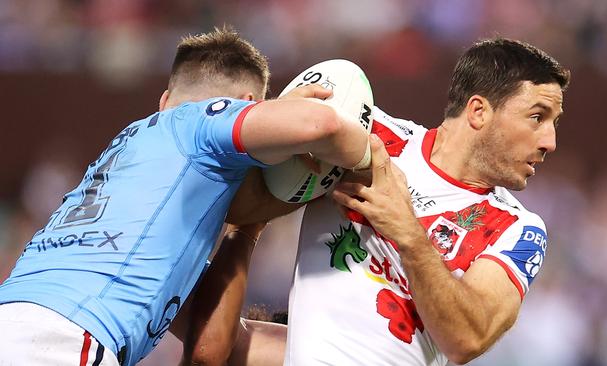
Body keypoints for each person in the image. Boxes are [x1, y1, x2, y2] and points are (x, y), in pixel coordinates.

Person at [183, 37, 570, 366]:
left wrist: (408, 232)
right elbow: (242, 210)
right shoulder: (367, 132)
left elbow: (467, 339)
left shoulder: (517, 228)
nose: (549, 141)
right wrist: (273, 141)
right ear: (479, 111)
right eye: (538, 117)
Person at [0, 27, 373, 366]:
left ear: (163, 100)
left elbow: (210, 351)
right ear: (246, 104)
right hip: (64, 339)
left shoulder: (140, 191)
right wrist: (375, 166)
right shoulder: (196, 122)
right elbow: (321, 123)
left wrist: (247, 226)